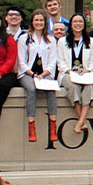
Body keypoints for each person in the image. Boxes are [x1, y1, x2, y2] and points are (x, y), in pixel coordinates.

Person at [16, 12, 59, 143]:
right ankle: (31, 125)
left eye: (41, 20)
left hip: (45, 74)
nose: (39, 23)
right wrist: (32, 74)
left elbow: (53, 61)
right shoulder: (24, 38)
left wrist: (44, 74)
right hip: (27, 74)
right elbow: (21, 61)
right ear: (32, 22)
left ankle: (53, 125)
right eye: (36, 20)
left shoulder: (51, 39)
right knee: (32, 89)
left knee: (52, 91)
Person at [57, 14, 93, 134]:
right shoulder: (62, 41)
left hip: (86, 74)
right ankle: (83, 121)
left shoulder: (91, 41)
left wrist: (87, 70)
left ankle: (79, 122)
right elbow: (60, 62)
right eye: (75, 22)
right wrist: (69, 71)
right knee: (73, 86)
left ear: (84, 24)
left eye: (80, 21)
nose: (78, 24)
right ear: (70, 24)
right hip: (67, 74)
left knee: (90, 86)